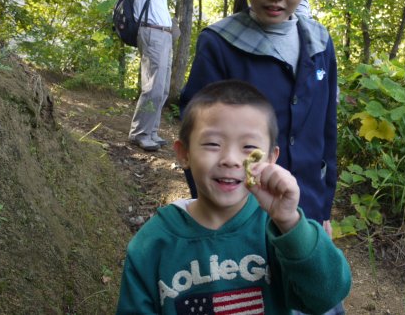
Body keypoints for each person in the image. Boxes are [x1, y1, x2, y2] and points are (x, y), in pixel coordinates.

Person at [116, 80, 352, 314]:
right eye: (212, 143)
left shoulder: (281, 231)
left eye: (249, 147)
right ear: (184, 154)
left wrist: (290, 222)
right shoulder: (152, 244)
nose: (230, 158)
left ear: (271, 158)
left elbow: (327, 296)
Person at [179, 0, 338, 230]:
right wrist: (214, 212)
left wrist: (323, 210)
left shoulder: (320, 43)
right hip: (239, 215)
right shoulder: (221, 43)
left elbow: (326, 134)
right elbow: (196, 135)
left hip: (305, 208)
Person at [128, 0, 204, 151]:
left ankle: (150, 131)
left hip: (162, 36)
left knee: (161, 89)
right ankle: (140, 133)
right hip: (152, 35)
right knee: (153, 86)